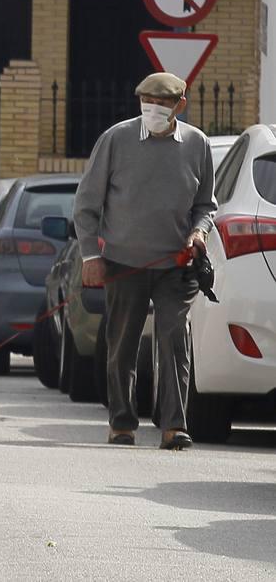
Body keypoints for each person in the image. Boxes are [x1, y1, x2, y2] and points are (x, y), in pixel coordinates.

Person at [72, 71, 216, 450]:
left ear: (180, 106)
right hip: (123, 264)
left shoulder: (197, 145)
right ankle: (122, 422)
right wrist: (90, 254)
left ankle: (173, 426)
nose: (153, 109)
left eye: (163, 103)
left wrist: (198, 232)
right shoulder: (115, 139)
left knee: (173, 338)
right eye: (147, 102)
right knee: (122, 344)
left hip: (176, 265)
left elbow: (206, 206)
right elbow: (87, 205)